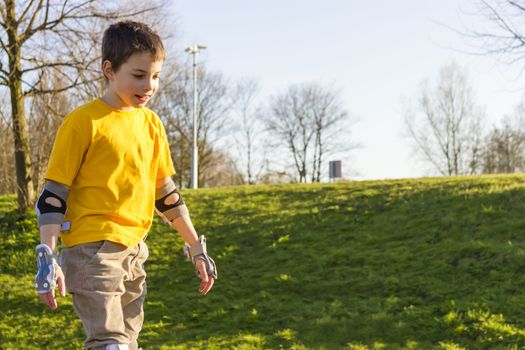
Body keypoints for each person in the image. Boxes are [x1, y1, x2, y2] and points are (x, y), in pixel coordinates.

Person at [33, 21, 217, 350]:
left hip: (134, 252)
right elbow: (52, 196)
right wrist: (47, 256)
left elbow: (167, 196)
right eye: (138, 75)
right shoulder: (84, 122)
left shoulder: (151, 124)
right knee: (110, 343)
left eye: (156, 76)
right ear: (109, 69)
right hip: (92, 251)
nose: (149, 85)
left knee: (128, 344)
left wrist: (196, 248)